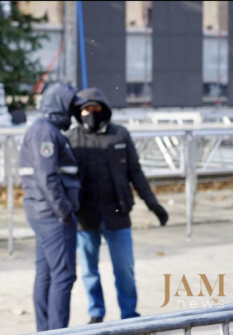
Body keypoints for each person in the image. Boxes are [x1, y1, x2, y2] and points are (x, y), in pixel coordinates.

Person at [66, 87, 169, 323]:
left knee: (124, 269)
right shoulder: (72, 138)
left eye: (95, 108)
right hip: (85, 216)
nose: (91, 113)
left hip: (117, 213)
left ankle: (130, 316)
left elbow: (136, 173)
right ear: (79, 112)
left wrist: (154, 205)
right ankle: (96, 313)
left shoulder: (120, 135)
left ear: (104, 109)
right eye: (85, 110)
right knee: (89, 270)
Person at [19, 82, 85, 331]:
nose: (72, 113)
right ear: (59, 105)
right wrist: (64, 211)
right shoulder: (45, 132)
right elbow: (47, 177)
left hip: (44, 213)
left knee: (47, 273)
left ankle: (46, 330)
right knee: (64, 275)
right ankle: (57, 330)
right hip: (52, 216)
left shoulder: (46, 130)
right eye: (70, 106)